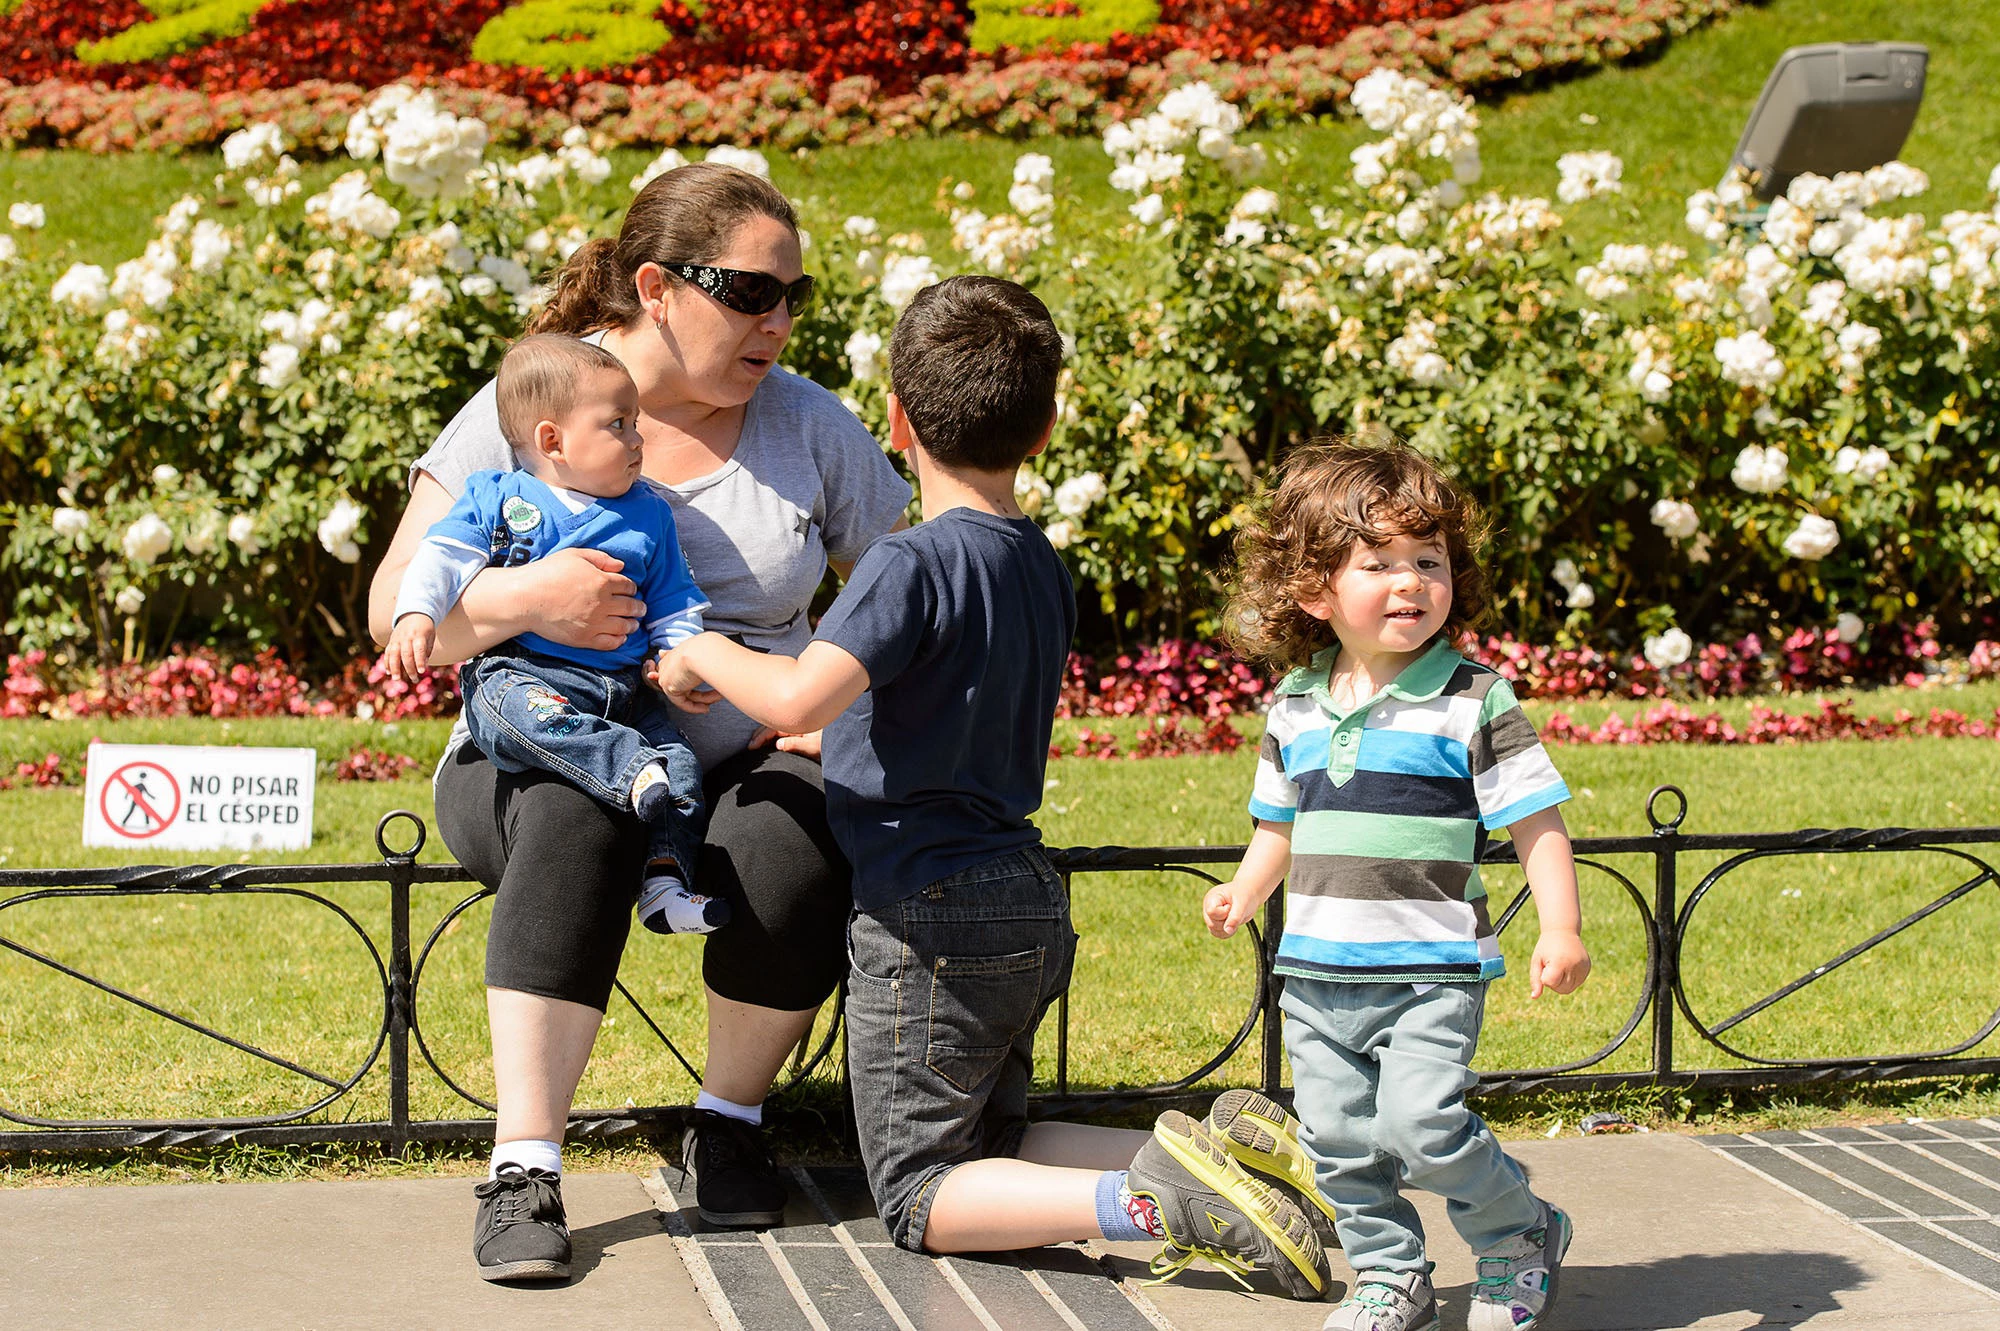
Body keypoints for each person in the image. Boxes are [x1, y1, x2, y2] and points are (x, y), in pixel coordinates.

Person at [654, 275, 1331, 1300]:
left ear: (893, 418)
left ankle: (1155, 1202)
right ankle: (1209, 1155)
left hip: (925, 909)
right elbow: (924, 706)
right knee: (993, 1132)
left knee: (921, 1193)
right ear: (1046, 426)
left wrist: (696, 647)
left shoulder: (908, 563)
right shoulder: (1037, 563)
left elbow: (800, 684)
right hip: (1019, 886)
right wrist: (827, 734)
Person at [366, 162, 913, 1282]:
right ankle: (524, 1167)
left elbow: (909, 587)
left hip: (739, 755)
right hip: (534, 747)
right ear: (657, 285)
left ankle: (728, 1121)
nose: (779, 321)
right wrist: (527, 599)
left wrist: (840, 706)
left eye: (793, 296)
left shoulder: (806, 424)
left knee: (794, 822)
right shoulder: (537, 400)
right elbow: (392, 609)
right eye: (752, 293)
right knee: (582, 811)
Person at [1194, 439, 1592, 1330]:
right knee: (1337, 1140)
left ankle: (1518, 1234)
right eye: (1378, 563)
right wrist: (1246, 889)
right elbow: (1279, 826)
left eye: (1429, 560)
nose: (1410, 581)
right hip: (1317, 972)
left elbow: (1536, 819)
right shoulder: (1295, 703)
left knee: (1421, 1124)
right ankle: (1388, 1272)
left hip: (1429, 968)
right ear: (1314, 590)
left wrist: (1559, 928)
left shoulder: (1474, 698)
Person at [386, 333, 720, 936]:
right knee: (516, 714)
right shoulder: (502, 496)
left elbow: (673, 603)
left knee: (680, 765)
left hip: (623, 691)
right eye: (619, 424)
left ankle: (666, 883)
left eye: (635, 422)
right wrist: (417, 614)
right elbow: (441, 557)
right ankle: (625, 771)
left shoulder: (649, 513)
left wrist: (678, 658)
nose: (638, 439)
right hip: (524, 675)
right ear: (551, 440)